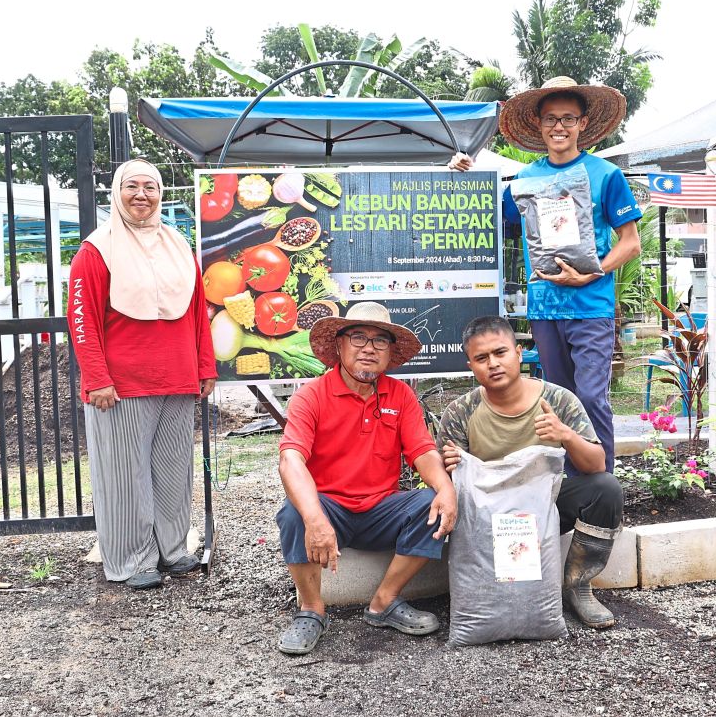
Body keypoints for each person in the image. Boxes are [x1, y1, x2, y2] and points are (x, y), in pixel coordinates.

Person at [450, 75, 643, 475]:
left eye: (568, 118)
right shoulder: (523, 179)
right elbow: (488, 212)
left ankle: (601, 486)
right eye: (551, 118)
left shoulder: (606, 175)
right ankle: (565, 485)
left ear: (583, 124)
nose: (560, 126)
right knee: (557, 398)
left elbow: (630, 243)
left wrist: (592, 274)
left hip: (591, 305)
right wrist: (462, 173)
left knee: (590, 398)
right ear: (539, 125)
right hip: (543, 306)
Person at [275, 301, 457, 655]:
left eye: (380, 341)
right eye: (358, 337)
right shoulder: (311, 396)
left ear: (390, 352)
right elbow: (290, 459)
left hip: (380, 509)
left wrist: (446, 488)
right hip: (330, 508)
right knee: (293, 512)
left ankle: (384, 602)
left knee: (430, 504)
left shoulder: (400, 395)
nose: (369, 348)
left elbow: (422, 451)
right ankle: (311, 609)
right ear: (339, 345)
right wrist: (315, 519)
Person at [69, 159, 216, 590]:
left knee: (173, 470)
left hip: (178, 378)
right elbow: (82, 320)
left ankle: (171, 551)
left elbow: (197, 315)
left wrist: (205, 367)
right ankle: (132, 561)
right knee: (124, 474)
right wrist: (96, 378)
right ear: (117, 193)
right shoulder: (96, 250)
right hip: (120, 386)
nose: (141, 195)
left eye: (150, 187)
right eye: (131, 186)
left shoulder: (178, 246)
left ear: (160, 194)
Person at [438, 315, 624, 629]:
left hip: (544, 508)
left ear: (519, 353)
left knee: (605, 489)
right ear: (470, 365)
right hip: (488, 517)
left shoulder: (557, 400)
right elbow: (447, 481)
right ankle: (488, 595)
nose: (493, 364)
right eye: (481, 358)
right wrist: (451, 465)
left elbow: (597, 465)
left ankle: (579, 584)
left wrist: (565, 434)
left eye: (500, 353)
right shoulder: (461, 411)